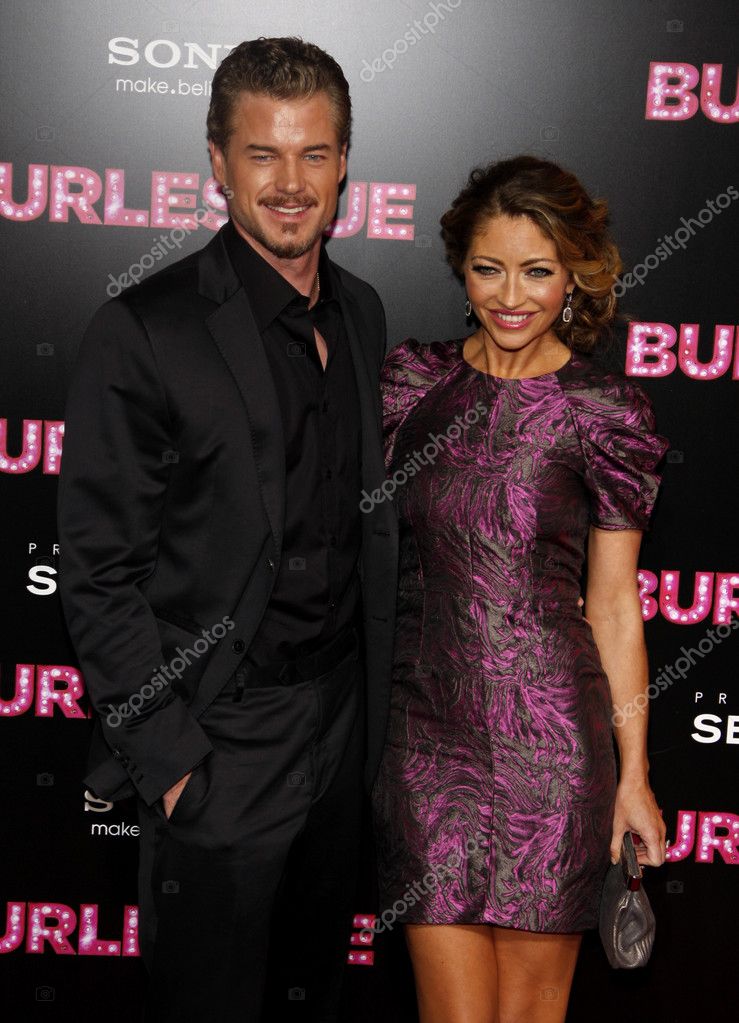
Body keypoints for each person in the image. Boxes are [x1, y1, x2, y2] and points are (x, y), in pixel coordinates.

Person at [57, 37, 398, 1023]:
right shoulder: (145, 329)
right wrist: (172, 765)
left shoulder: (362, 312)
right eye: (262, 154)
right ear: (216, 161)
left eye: (314, 153)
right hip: (220, 739)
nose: (290, 184)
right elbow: (98, 572)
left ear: (344, 163)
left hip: (341, 731)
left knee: (312, 996)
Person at [371, 156, 669, 1023]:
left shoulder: (602, 412)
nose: (510, 296)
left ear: (573, 274)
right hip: (426, 743)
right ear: (460, 270)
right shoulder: (410, 386)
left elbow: (612, 605)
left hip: (554, 754)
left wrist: (633, 774)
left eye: (536, 271)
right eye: (487, 268)